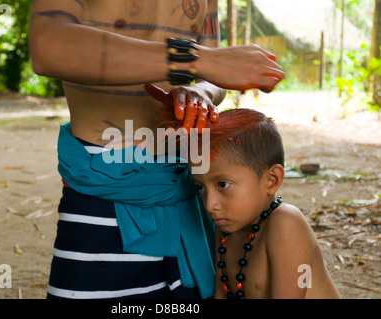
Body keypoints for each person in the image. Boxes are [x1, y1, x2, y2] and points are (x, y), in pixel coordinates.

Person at [29, 0, 284, 299]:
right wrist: (192, 59)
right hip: (105, 188)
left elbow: (212, 75)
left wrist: (200, 90)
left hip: (188, 184)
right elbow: (49, 45)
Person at [150, 103, 340, 299]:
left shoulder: (286, 224)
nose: (210, 205)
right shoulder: (225, 227)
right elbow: (220, 294)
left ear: (271, 180)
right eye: (201, 187)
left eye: (223, 185)